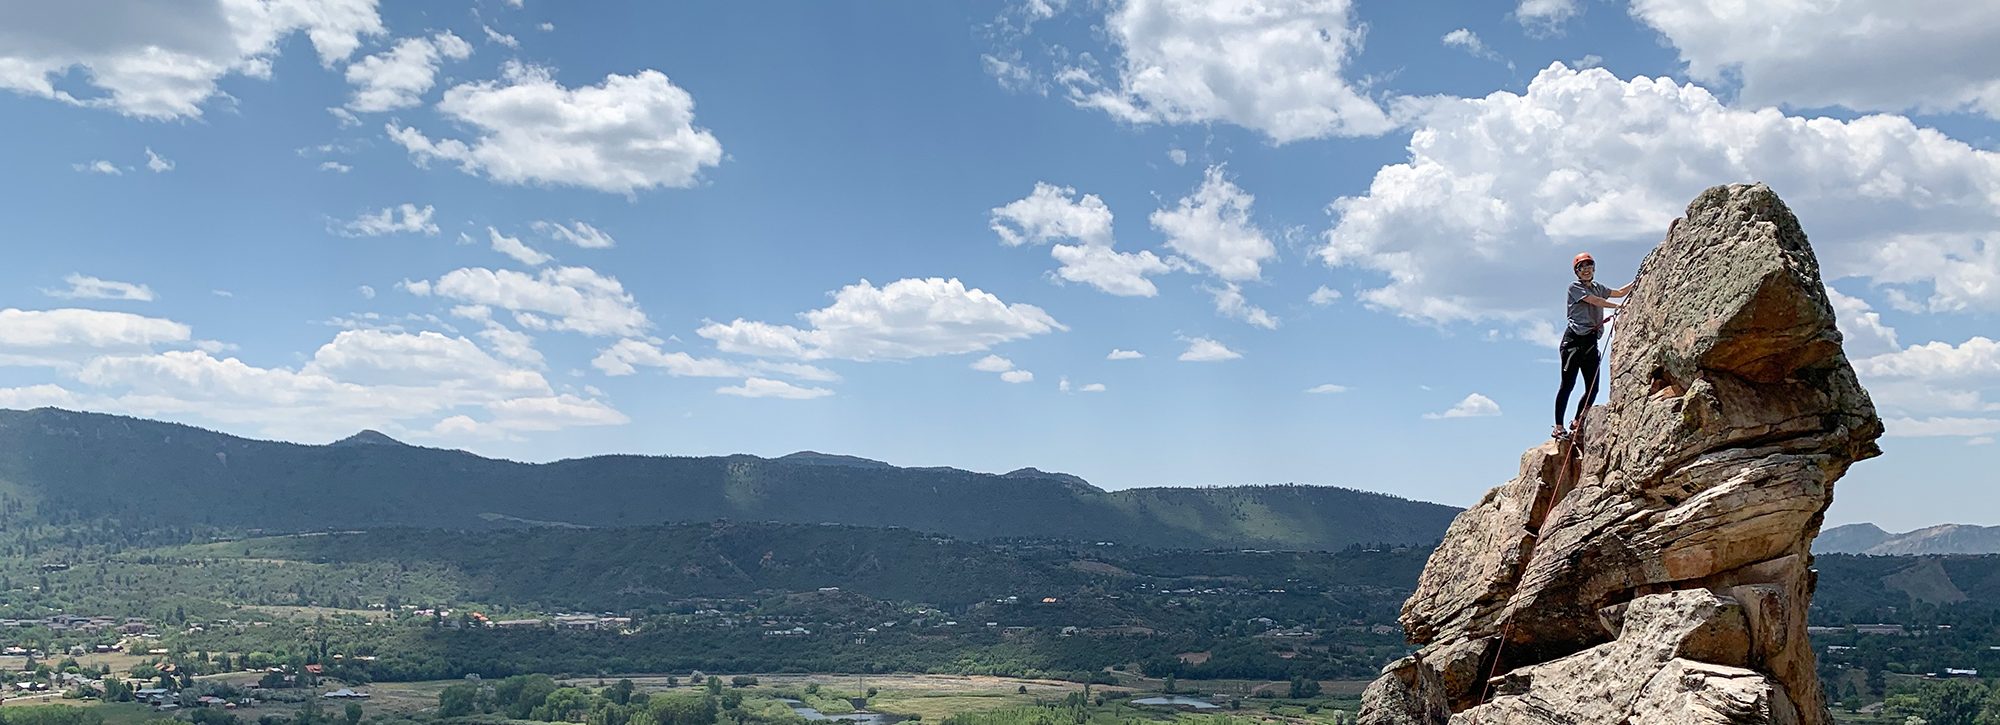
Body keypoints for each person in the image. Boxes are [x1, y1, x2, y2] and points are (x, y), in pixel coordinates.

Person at [1553, 252, 1635, 439]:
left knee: (1593, 388)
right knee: (1568, 384)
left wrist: (1638, 279)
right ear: (1577, 271)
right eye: (1582, 268)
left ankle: (1577, 421)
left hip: (1590, 340)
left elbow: (1620, 292)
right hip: (1573, 341)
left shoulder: (1598, 287)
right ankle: (1558, 427)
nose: (1587, 270)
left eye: (1589, 266)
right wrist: (1619, 308)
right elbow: (1595, 301)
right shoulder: (1574, 287)